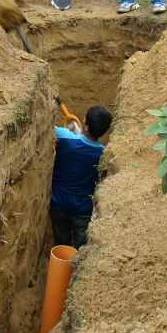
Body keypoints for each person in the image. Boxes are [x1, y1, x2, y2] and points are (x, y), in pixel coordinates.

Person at [50, 105, 113, 249]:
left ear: (85, 126)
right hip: (83, 210)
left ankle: (60, 267)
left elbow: (49, 129)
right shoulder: (103, 154)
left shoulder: (64, 138)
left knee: (61, 245)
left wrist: (74, 135)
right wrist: (80, 134)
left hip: (58, 204)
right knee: (81, 249)